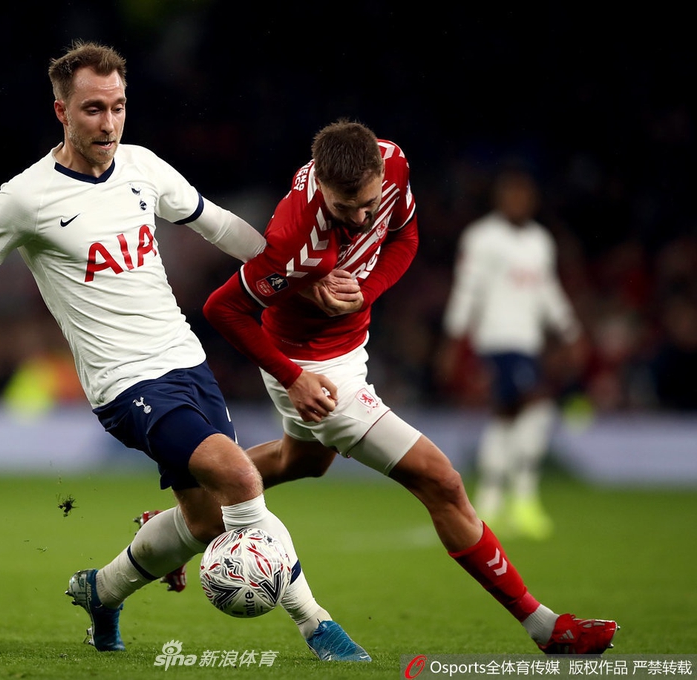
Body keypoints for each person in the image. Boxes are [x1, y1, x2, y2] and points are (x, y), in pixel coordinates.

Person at [0, 41, 369, 662]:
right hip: (124, 384)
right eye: (92, 109)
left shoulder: (143, 166)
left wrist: (300, 278)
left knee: (204, 521)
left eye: (117, 107)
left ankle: (102, 591)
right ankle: (317, 625)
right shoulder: (25, 197)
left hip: (186, 361)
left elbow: (218, 225)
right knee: (241, 478)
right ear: (59, 110)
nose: (108, 123)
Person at [195, 120, 616, 654]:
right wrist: (293, 378)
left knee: (299, 462)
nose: (362, 216)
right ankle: (544, 626)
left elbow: (405, 235)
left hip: (350, 346)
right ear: (320, 183)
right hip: (313, 368)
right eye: (347, 207)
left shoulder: (392, 164)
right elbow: (222, 309)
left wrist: (365, 290)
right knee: (442, 482)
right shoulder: (292, 239)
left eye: (368, 202)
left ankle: (188, 508)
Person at [440, 167, 585, 540]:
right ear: (499, 199)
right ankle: (521, 498)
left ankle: (491, 500)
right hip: (497, 340)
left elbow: (547, 291)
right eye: (511, 194)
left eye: (524, 195)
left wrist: (569, 330)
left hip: (528, 342)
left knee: (508, 416)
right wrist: (454, 341)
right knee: (533, 407)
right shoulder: (482, 238)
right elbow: (466, 290)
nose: (518, 201)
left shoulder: (539, 241)